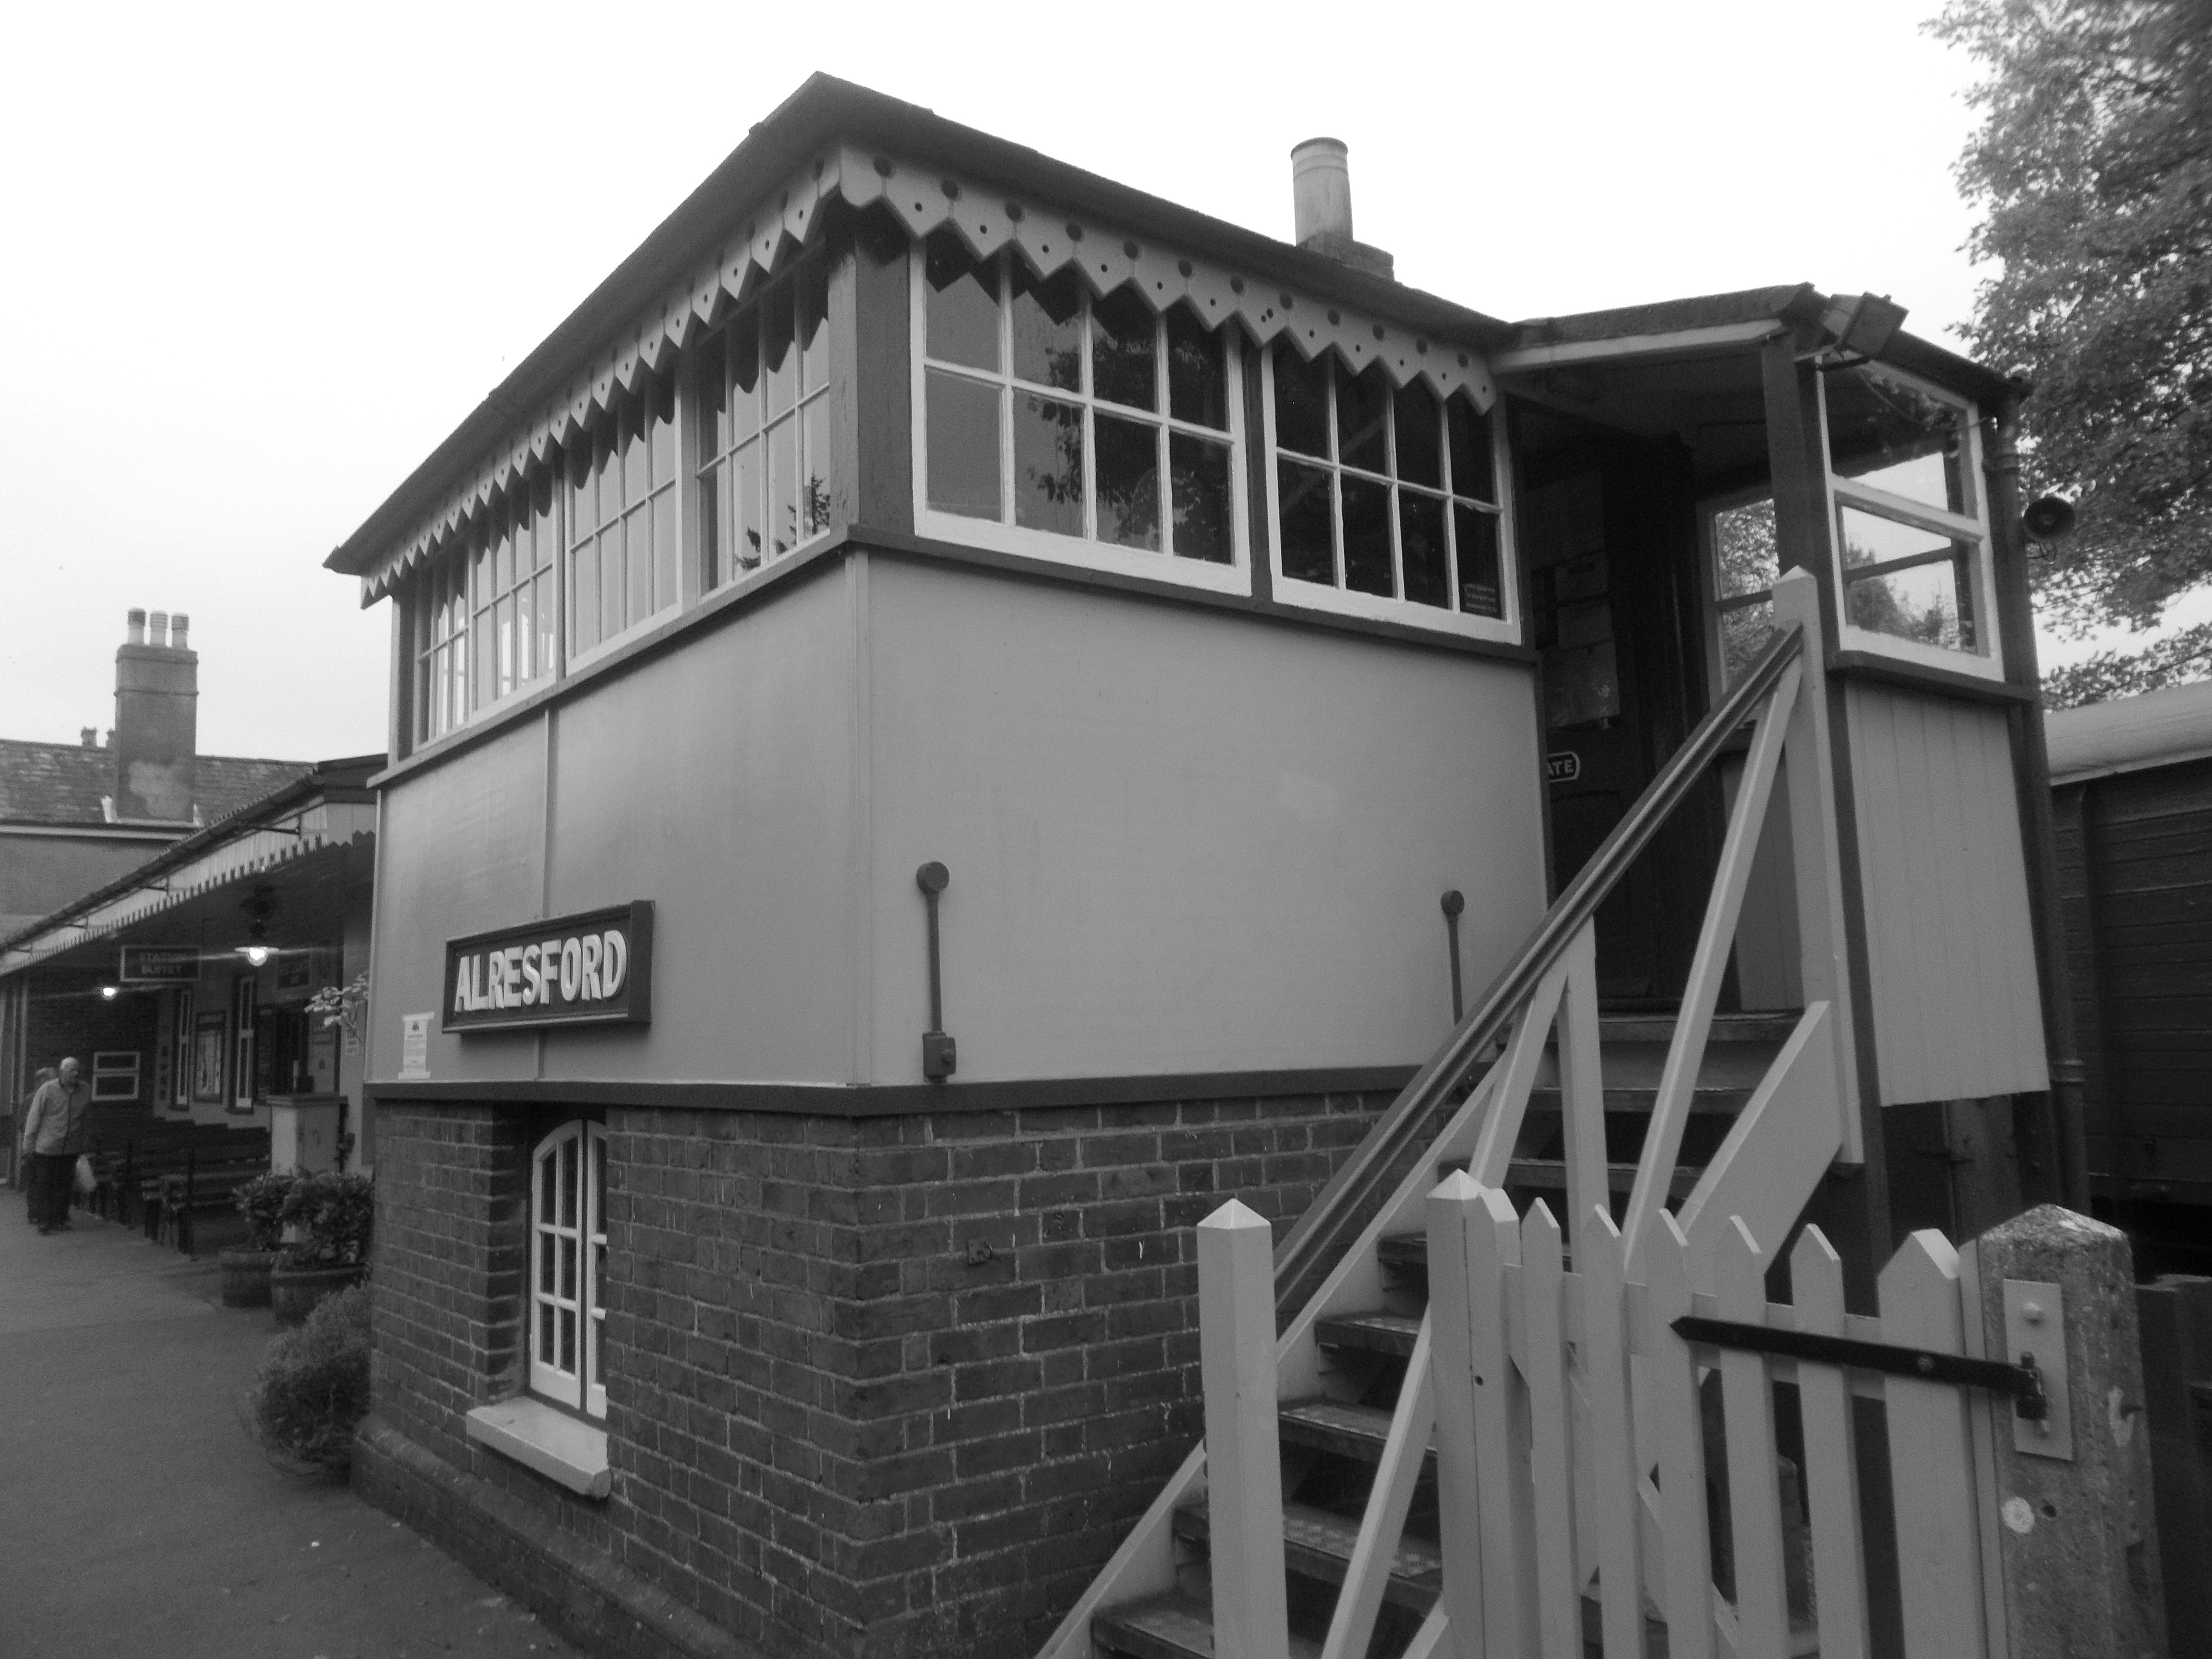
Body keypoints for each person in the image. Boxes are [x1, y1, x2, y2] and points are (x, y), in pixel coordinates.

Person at [20, 1058, 92, 1235]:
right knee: (45, 1184)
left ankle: (60, 1218)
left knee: (65, 1186)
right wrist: (28, 1145)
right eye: (71, 1070)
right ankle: (45, 1221)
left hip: (71, 1148)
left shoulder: (85, 1090)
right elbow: (34, 1117)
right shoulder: (48, 1090)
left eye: (77, 1070)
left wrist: (84, 1142)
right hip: (47, 1148)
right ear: (62, 1072)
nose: (75, 1074)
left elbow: (85, 1118)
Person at [17, 1066, 55, 1224]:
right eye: (50, 1079)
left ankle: (41, 1213)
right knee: (36, 1180)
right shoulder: (31, 1099)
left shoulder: (54, 1097)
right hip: (35, 1147)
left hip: (49, 1146)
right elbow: (22, 1124)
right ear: (41, 1081)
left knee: (43, 1180)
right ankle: (35, 1213)